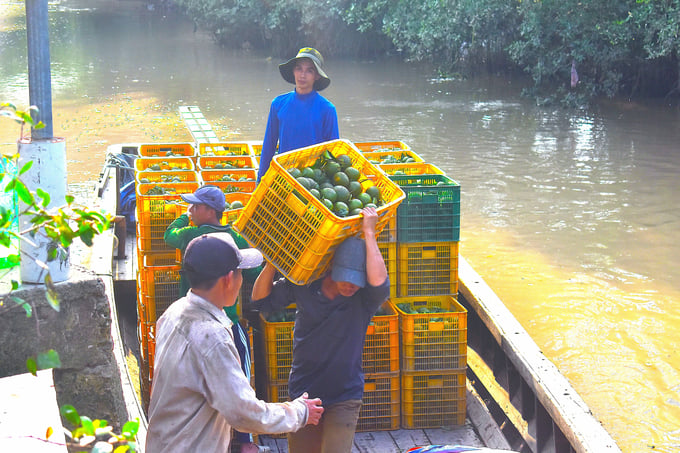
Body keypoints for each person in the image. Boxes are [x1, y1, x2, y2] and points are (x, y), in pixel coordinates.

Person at [146, 233, 324, 452]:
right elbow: (244, 413)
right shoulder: (212, 338)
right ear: (229, 279)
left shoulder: (174, 312)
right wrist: (299, 412)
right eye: (240, 273)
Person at [251, 207, 389, 453]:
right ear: (330, 269)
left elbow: (380, 283)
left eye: (357, 281)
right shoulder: (305, 285)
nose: (351, 286)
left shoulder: (364, 299)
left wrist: (369, 233)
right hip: (304, 393)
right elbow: (260, 302)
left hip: (345, 394)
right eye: (346, 278)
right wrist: (272, 262)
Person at [163, 184, 264, 453]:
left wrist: (183, 217)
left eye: (195, 206)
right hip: (227, 320)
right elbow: (256, 277)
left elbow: (168, 235)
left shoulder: (190, 235)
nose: (192, 210)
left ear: (209, 211)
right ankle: (244, 442)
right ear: (231, 279)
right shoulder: (236, 239)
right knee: (240, 375)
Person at [257, 47, 339, 182]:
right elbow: (268, 147)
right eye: (299, 68)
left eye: (309, 70)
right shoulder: (278, 104)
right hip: (284, 177)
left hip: (313, 183)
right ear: (293, 71)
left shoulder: (327, 109)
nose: (302, 75)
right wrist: (260, 181)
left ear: (316, 76)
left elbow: (333, 154)